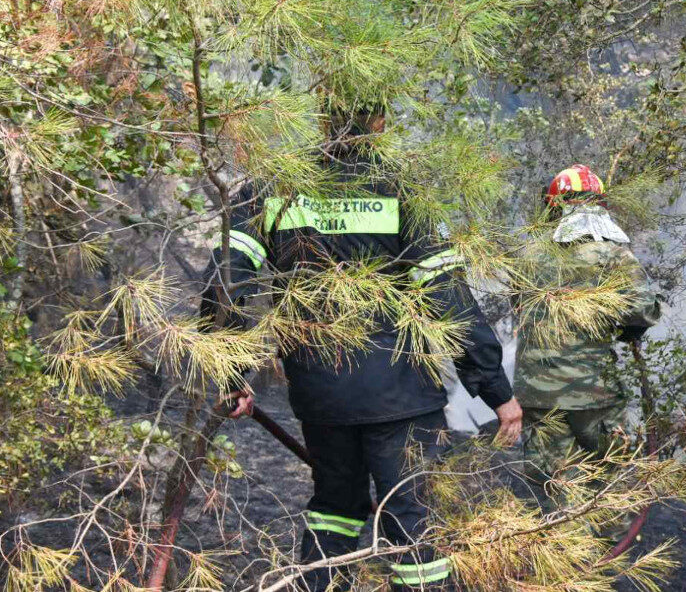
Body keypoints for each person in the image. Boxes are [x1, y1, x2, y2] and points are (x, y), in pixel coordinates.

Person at [200, 106, 522, 592]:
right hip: (401, 393)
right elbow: (447, 297)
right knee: (411, 514)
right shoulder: (396, 191)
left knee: (334, 508)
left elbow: (226, 281)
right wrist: (496, 391)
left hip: (321, 394)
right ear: (379, 123)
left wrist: (231, 377)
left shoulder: (275, 188)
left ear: (324, 118)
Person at [514, 164, 660, 499]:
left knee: (552, 485)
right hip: (592, 392)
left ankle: (557, 547)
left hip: (537, 392)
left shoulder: (528, 254)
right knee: (611, 481)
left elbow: (520, 308)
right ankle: (608, 548)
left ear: (553, 207)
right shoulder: (612, 253)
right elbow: (644, 310)